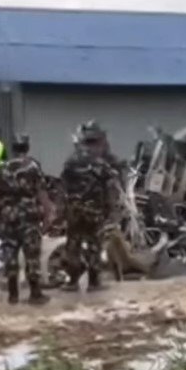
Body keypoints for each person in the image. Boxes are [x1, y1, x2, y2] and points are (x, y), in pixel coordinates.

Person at [0, 134, 52, 305]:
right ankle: (35, 293)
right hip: (29, 216)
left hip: (9, 215)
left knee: (10, 254)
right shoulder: (33, 166)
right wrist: (48, 215)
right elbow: (41, 192)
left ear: (12, 148)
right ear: (27, 147)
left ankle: (13, 294)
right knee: (31, 255)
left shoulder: (1, 167)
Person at [60, 121, 120, 292]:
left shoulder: (71, 161)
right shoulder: (99, 163)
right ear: (98, 141)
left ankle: (72, 281)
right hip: (94, 210)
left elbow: (63, 184)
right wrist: (111, 208)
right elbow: (110, 186)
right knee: (94, 244)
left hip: (74, 209)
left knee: (73, 244)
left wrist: (63, 207)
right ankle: (94, 282)